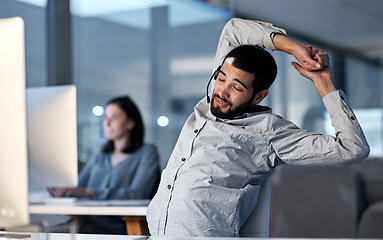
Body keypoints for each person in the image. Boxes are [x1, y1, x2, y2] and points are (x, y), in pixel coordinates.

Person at [146, 18, 370, 237]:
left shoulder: (270, 133)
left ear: (259, 96)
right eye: (221, 79)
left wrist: (324, 83)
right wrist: (293, 48)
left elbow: (353, 147)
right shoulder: (213, 99)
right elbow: (233, 30)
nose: (222, 91)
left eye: (236, 87)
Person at [48, 95, 160, 234]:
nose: (106, 123)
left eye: (114, 117)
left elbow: (137, 194)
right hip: (87, 225)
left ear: (130, 122)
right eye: (105, 117)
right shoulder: (101, 155)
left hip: (121, 228)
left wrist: (90, 193)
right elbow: (78, 186)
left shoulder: (147, 152)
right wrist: (64, 190)